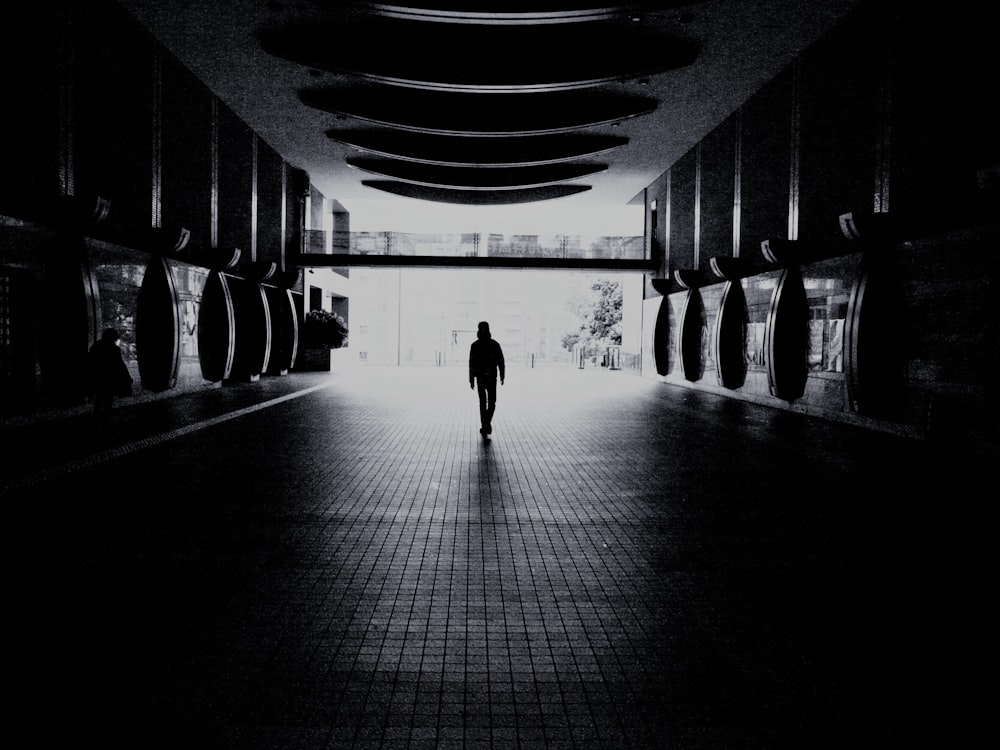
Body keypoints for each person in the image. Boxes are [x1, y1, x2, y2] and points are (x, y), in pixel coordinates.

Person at [469, 320, 505, 437]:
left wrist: (471, 379)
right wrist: (502, 375)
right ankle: (486, 424)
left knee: (483, 403)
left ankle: (485, 424)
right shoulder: (494, 344)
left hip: (480, 377)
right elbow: (501, 361)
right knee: (492, 402)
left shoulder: (475, 345)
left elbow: (472, 363)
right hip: (491, 377)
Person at [88, 328, 133, 416]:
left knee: (99, 399)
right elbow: (120, 365)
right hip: (109, 379)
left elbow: (90, 362)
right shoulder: (114, 349)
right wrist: (127, 377)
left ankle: (97, 418)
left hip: (98, 378)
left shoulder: (96, 346)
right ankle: (105, 419)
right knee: (107, 400)